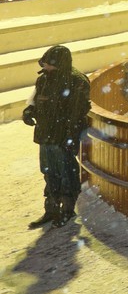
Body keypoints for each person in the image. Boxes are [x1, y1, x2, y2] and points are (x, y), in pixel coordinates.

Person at [22, 45, 90, 229]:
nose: (45, 68)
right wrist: (29, 110)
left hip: (62, 137)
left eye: (49, 65)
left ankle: (68, 209)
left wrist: (70, 136)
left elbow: (78, 112)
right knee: (48, 172)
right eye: (44, 65)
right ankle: (51, 208)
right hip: (46, 135)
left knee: (67, 173)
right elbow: (35, 100)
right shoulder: (43, 79)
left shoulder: (77, 81)